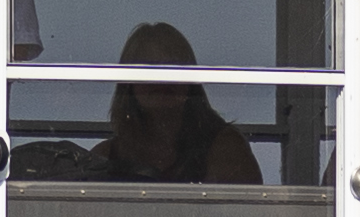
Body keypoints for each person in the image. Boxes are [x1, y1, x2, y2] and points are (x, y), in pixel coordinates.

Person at [95, 23, 263, 185]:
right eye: (150, 68)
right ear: (128, 84)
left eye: (173, 67)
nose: (162, 79)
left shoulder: (226, 149)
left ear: (190, 81)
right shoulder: (103, 159)